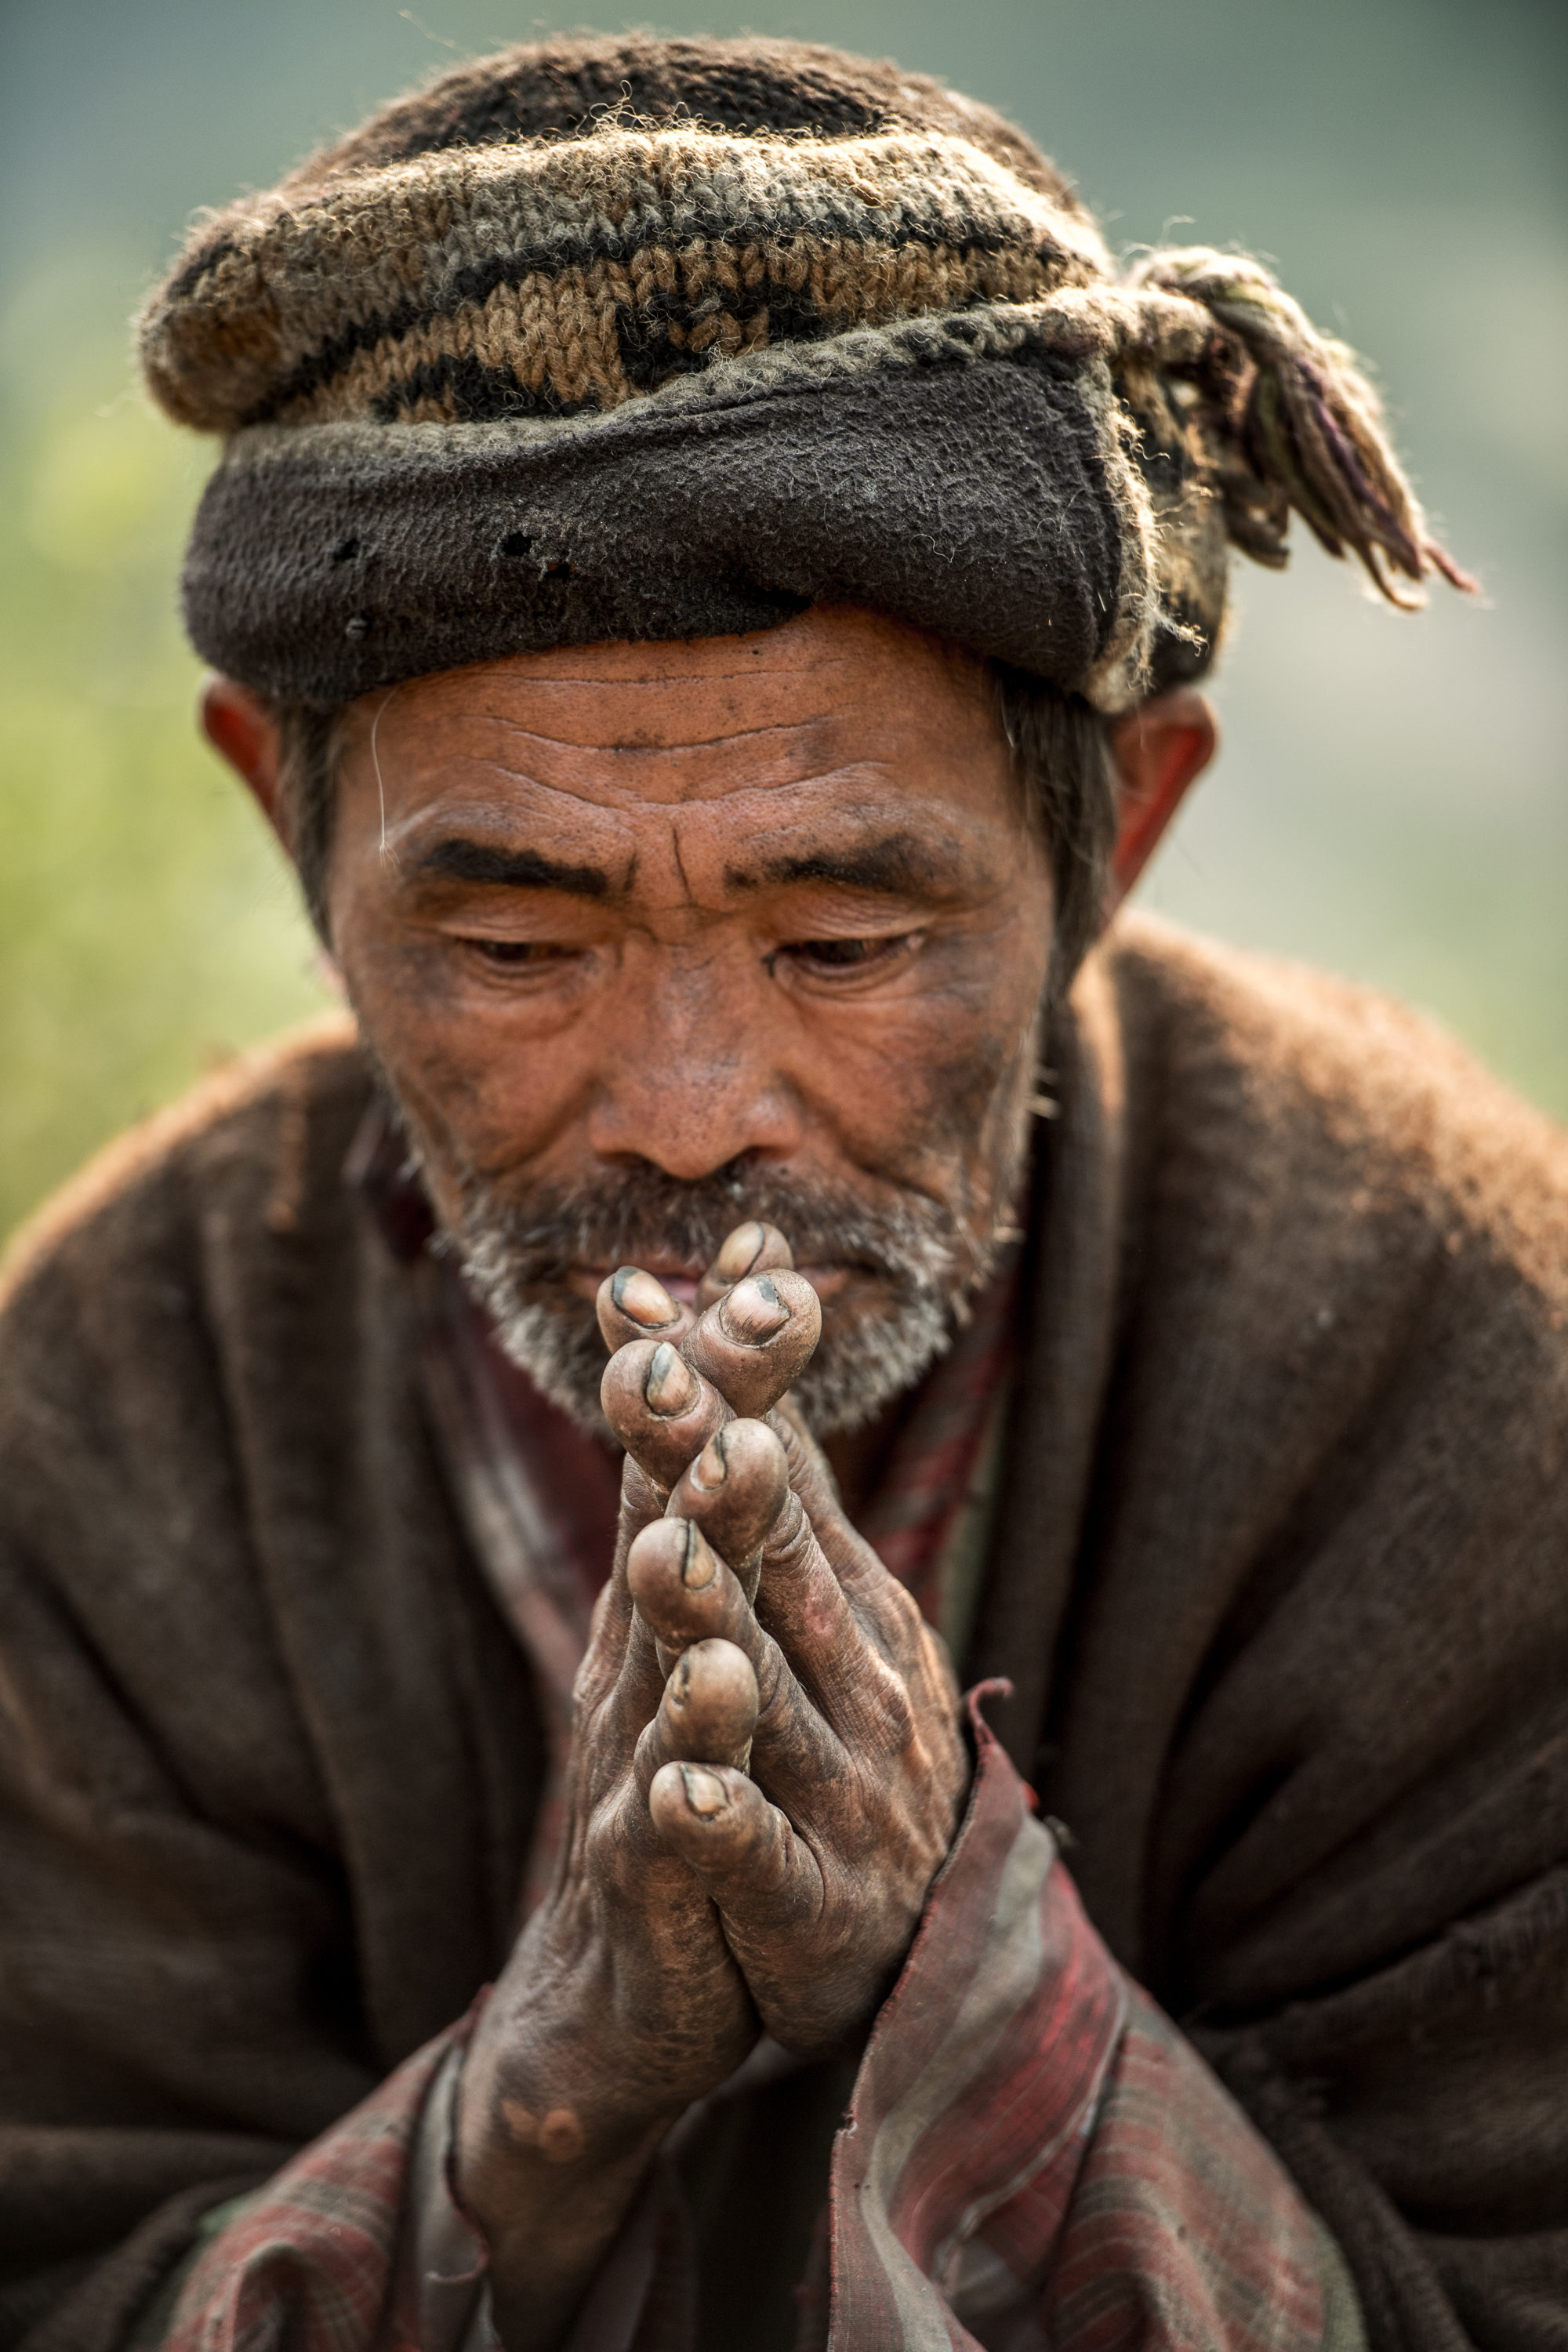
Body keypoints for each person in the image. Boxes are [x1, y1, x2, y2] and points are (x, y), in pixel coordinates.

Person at [2, 32, 1564, 2352]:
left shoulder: (1472, 1387)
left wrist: (971, 1982)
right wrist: (540, 2099)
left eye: (848, 944)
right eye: (515, 945)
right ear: (286, 830)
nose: (689, 1107)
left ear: (1115, 840)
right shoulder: (98, 1422)